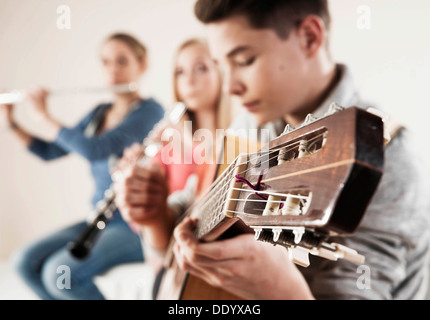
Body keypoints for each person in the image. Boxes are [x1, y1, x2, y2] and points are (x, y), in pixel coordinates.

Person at [116, 0, 430, 300]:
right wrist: (157, 215)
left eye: (244, 61)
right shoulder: (247, 127)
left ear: (309, 37)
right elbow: (190, 213)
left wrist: (281, 293)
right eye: (223, 66)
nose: (230, 88)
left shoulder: (388, 156)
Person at [0, 33, 165, 300]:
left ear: (142, 64)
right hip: (98, 219)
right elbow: (51, 151)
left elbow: (94, 149)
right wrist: (10, 123)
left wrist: (43, 116)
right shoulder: (99, 112)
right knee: (23, 263)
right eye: (106, 62)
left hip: (133, 227)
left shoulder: (150, 112)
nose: (113, 70)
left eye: (122, 61)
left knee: (60, 274)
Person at [112, 38, 232, 274]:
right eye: (179, 72)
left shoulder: (237, 136)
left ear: (220, 72)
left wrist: (186, 142)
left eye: (201, 68)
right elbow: (143, 223)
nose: (189, 80)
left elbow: (211, 186)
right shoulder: (167, 143)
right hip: (167, 256)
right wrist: (134, 181)